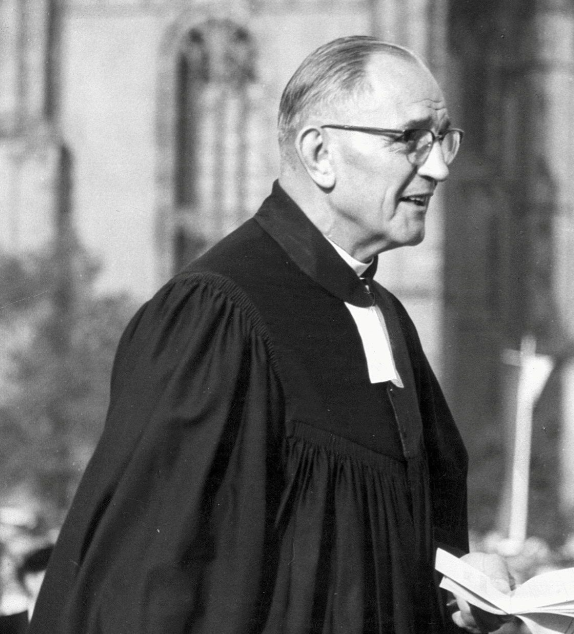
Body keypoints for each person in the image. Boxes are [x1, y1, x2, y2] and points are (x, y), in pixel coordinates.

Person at [29, 36, 512, 634]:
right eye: (411, 138)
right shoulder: (218, 315)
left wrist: (460, 584)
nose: (438, 166)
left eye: (443, 140)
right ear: (319, 154)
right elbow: (148, 587)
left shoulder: (386, 316)